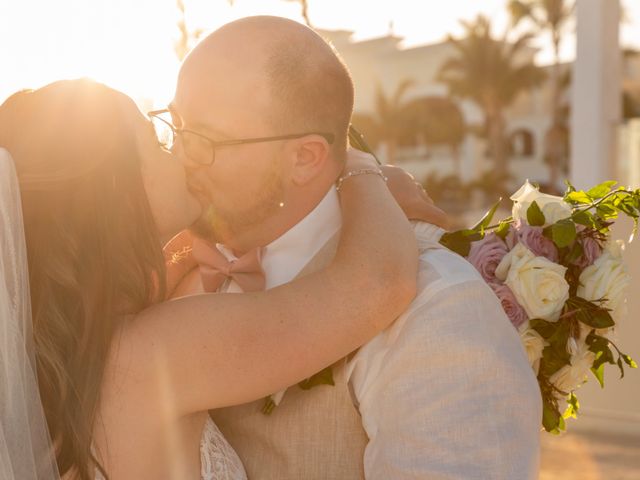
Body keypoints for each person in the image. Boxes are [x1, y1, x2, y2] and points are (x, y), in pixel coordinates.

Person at [0, 78, 439, 480]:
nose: (179, 152)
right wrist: (358, 169)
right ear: (118, 188)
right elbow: (377, 283)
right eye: (154, 140)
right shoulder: (156, 352)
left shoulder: (64, 351)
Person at [166, 15, 543, 479]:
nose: (179, 158)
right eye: (175, 125)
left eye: (203, 138)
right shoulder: (166, 269)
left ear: (305, 157)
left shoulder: (437, 307)